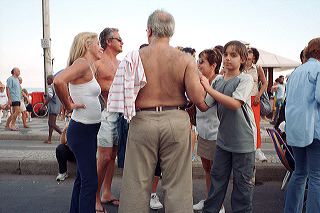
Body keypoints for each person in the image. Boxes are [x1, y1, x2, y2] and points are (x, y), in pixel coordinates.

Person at [115, 9, 207, 213]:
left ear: (149, 30)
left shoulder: (134, 57)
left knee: (136, 185)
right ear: (171, 32)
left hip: (142, 119)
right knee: (178, 186)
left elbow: (121, 93)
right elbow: (198, 98)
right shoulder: (184, 59)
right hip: (175, 118)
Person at [200, 40, 256, 213]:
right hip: (223, 142)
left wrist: (208, 88)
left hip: (243, 143)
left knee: (242, 188)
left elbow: (235, 104)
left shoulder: (245, 79)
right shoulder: (217, 81)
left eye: (233, 55)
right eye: (225, 54)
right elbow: (205, 105)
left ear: (243, 59)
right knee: (217, 183)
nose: (228, 58)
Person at [53, 32, 103, 213]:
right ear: (87, 45)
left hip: (88, 131)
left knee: (83, 179)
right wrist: (68, 104)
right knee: (90, 182)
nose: (101, 47)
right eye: (98, 43)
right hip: (81, 131)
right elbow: (58, 81)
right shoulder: (81, 63)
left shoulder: (88, 65)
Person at [284, 37, 320, 213]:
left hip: (296, 129)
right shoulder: (319, 69)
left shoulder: (296, 72)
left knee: (299, 173)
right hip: (315, 129)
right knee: (316, 177)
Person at [94, 27, 123, 212]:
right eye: (119, 39)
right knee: (104, 157)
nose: (122, 42)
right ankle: (94, 197)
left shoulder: (120, 63)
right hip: (103, 113)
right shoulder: (98, 61)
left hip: (118, 113)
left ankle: (106, 192)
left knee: (112, 157)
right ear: (108, 41)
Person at [192, 48, 225, 213]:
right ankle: (209, 200)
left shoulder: (218, 81)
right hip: (203, 131)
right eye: (198, 61)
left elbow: (205, 105)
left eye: (202, 61)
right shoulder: (201, 80)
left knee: (216, 170)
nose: (198, 64)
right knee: (206, 168)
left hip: (216, 132)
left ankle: (219, 205)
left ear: (213, 65)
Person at [139, 43, 163, 210]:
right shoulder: (134, 73)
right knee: (141, 162)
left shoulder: (160, 72)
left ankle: (152, 193)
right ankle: (141, 194)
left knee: (157, 163)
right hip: (140, 121)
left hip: (160, 122)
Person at [244, 47, 268, 162]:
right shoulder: (240, 67)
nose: (248, 55)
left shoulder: (258, 68)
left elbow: (265, 83)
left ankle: (258, 149)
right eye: (247, 52)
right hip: (242, 98)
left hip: (254, 99)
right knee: (243, 124)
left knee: (256, 124)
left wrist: (259, 94)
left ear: (254, 56)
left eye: (250, 53)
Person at [43, 75, 62, 144]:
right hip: (57, 107)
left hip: (53, 108)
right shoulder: (56, 87)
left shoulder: (50, 87)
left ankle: (64, 135)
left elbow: (50, 96)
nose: (47, 81)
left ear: (51, 80)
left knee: (52, 124)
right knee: (50, 124)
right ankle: (49, 139)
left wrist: (44, 105)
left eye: (48, 79)